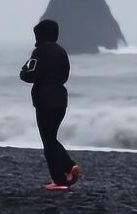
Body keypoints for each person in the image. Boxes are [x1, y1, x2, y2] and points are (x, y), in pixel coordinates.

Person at [20, 19, 80, 190]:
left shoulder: (38, 52)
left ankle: (61, 178)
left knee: (48, 141)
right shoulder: (62, 52)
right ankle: (68, 168)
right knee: (51, 137)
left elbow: (30, 73)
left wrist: (24, 74)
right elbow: (65, 75)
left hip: (44, 100)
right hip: (61, 98)